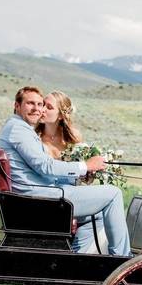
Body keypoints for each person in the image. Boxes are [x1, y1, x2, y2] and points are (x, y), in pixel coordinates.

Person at [0, 86, 131, 256]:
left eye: (40, 104)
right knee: (114, 194)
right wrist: (85, 166)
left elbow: (41, 171)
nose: (38, 108)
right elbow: (46, 167)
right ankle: (122, 258)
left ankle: (72, 260)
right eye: (30, 103)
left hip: (36, 192)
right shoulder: (19, 129)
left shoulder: (18, 128)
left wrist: (81, 173)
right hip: (36, 197)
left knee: (95, 215)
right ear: (17, 105)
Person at [37, 90, 107, 252]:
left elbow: (80, 173)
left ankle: (77, 253)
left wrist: (88, 175)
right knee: (97, 211)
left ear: (61, 115)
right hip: (50, 195)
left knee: (97, 212)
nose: (42, 110)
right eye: (42, 105)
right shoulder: (35, 138)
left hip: (71, 193)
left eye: (48, 107)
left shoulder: (74, 138)